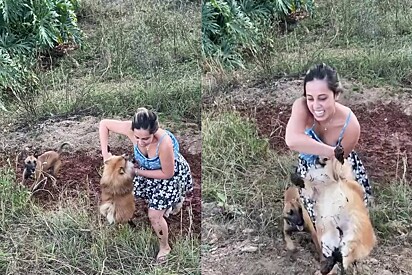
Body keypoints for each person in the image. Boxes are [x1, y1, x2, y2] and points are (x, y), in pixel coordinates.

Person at [99, 107, 193, 263]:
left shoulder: (164, 143)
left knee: (154, 215)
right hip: (145, 170)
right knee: (127, 190)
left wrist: (136, 172)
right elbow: (104, 124)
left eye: (146, 139)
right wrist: (105, 154)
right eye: (137, 137)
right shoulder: (130, 129)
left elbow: (167, 174)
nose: (140, 142)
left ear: (154, 132)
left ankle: (165, 247)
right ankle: (169, 204)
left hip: (169, 177)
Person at [285, 63, 372, 224]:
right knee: (317, 218)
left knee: (350, 217)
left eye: (323, 98)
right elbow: (292, 140)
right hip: (310, 168)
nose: (316, 105)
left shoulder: (350, 125)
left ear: (336, 94)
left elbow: (337, 166)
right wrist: (331, 151)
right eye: (310, 98)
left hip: (338, 167)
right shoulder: (301, 106)